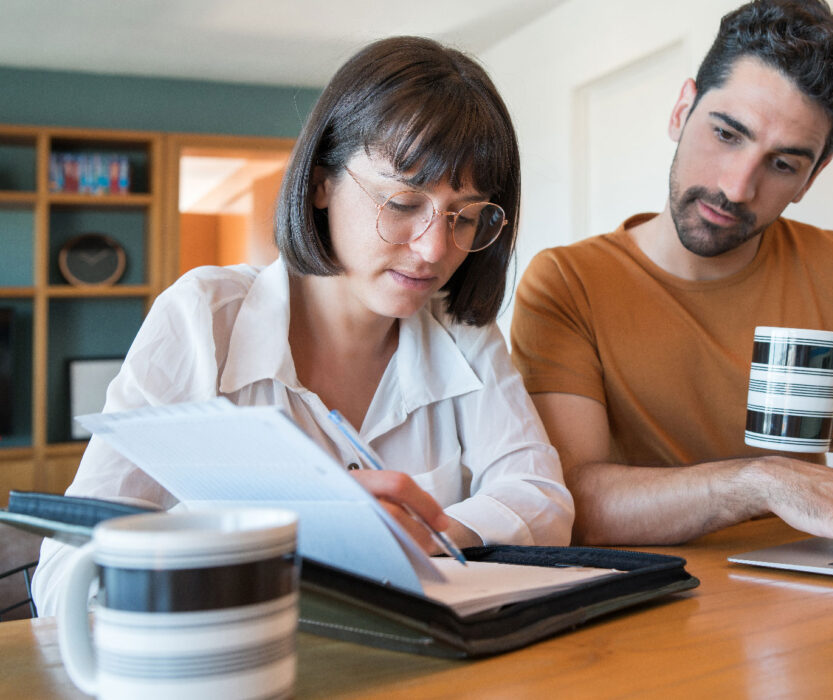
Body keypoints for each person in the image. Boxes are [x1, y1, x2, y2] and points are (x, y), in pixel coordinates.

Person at [33, 36, 574, 615]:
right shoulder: (202, 318)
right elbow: (64, 573)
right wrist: (283, 529)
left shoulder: (463, 332)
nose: (434, 248)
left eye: (464, 215)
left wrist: (431, 529)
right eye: (402, 202)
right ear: (320, 182)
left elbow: (542, 499)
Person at [510, 0, 833, 563]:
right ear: (682, 110)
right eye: (727, 134)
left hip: (815, 594)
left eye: (783, 164)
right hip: (656, 604)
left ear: (813, 176)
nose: (736, 188)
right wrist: (760, 482)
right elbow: (569, 502)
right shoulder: (569, 282)